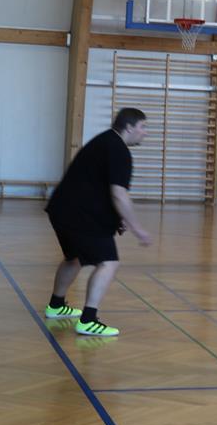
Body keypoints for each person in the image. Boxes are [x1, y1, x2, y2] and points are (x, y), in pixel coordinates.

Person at [44, 108, 153, 338]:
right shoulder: (119, 150)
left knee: (74, 258)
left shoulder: (105, 141)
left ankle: (56, 305)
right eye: (143, 127)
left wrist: (117, 218)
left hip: (62, 210)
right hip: (79, 215)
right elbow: (118, 194)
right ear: (129, 127)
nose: (145, 132)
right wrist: (137, 228)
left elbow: (97, 186)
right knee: (108, 262)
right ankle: (88, 320)